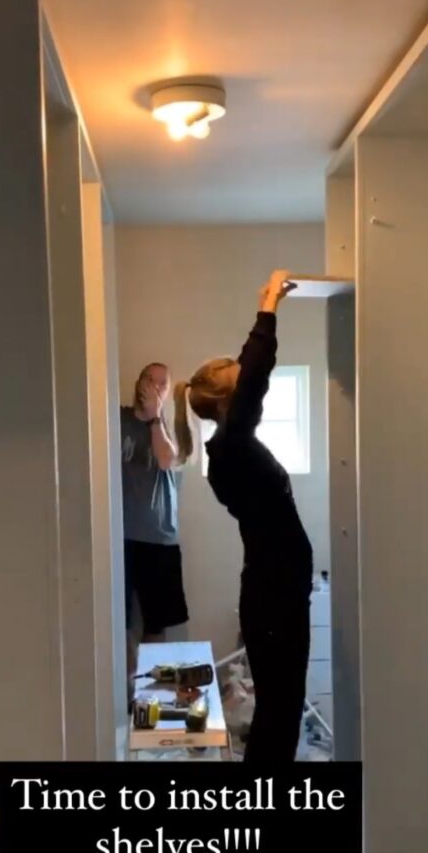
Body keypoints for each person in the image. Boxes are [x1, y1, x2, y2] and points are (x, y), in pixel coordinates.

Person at [173, 271, 313, 763]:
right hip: (275, 597)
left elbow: (249, 377)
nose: (246, 373)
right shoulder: (231, 448)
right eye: (239, 376)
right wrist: (269, 305)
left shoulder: (233, 448)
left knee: (280, 714)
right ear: (234, 401)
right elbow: (255, 372)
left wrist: (266, 304)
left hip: (276, 593)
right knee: (280, 717)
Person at [121, 362, 189, 704]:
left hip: (159, 538)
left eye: (163, 384)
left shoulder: (169, 426)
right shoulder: (115, 420)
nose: (155, 387)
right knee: (119, 620)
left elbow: (165, 460)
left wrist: (154, 418)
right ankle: (128, 693)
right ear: (138, 382)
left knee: (156, 623)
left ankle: (151, 696)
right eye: (150, 379)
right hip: (118, 538)